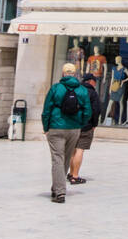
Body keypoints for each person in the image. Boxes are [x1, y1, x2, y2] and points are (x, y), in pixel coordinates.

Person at [41, 63, 91, 203]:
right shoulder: (82, 90)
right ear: (75, 74)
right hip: (74, 128)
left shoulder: (56, 88)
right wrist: (80, 124)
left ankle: (60, 192)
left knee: (57, 158)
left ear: (63, 73)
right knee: (66, 158)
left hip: (56, 127)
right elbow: (88, 111)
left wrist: (46, 127)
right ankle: (57, 187)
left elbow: (46, 110)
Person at [69, 72, 101, 181]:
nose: (95, 83)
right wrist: (94, 124)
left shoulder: (76, 90)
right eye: (95, 81)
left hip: (73, 124)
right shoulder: (92, 93)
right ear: (91, 81)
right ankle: (75, 176)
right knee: (80, 150)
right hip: (86, 125)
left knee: (72, 150)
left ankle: (70, 173)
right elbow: (96, 110)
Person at [105, 57, 128, 126]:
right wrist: (110, 88)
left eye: (116, 59)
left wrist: (123, 81)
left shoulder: (124, 69)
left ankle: (119, 120)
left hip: (121, 86)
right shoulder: (114, 68)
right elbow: (112, 78)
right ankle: (105, 119)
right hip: (114, 85)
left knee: (120, 102)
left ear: (119, 60)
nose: (115, 61)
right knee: (110, 102)